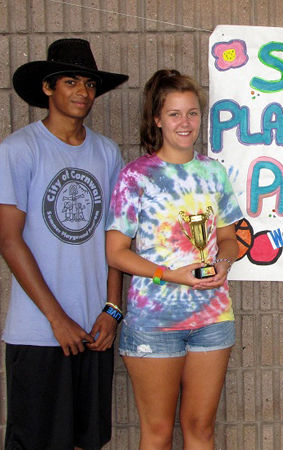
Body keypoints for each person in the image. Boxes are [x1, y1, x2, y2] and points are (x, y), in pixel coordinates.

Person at [0, 38, 128, 449]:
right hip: (40, 332)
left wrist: (112, 309)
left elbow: (116, 239)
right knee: (36, 441)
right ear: (47, 88)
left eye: (89, 84)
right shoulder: (18, 150)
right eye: (70, 81)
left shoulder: (107, 153)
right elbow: (8, 240)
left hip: (95, 330)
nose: (82, 92)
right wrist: (57, 319)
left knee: (87, 439)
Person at [105, 69, 242, 449]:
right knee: (159, 432)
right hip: (153, 323)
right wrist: (170, 275)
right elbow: (115, 253)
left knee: (201, 430)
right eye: (175, 114)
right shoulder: (136, 177)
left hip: (213, 318)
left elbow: (230, 238)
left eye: (193, 113)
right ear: (157, 119)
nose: (185, 123)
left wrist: (224, 263)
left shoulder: (213, 172)